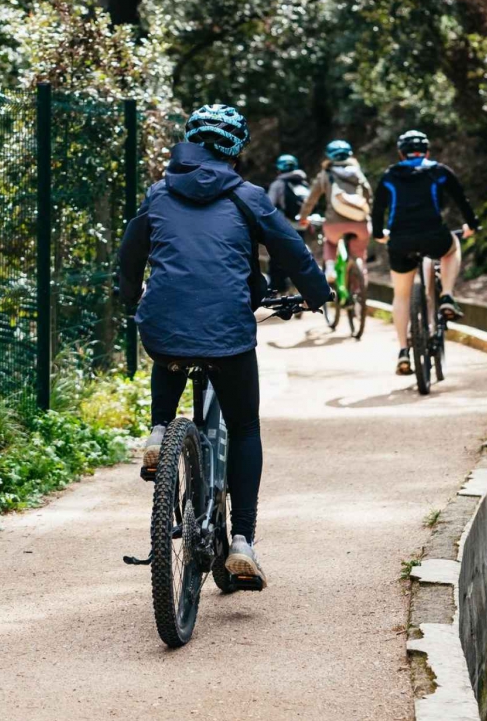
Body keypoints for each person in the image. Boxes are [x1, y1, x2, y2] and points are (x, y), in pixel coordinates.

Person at [116, 105, 331, 587]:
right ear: (237, 148)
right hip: (228, 336)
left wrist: (132, 302)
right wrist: (317, 294)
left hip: (165, 327)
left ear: (189, 141)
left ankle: (157, 433)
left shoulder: (158, 194)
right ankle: (242, 542)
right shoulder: (247, 197)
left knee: (168, 346)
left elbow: (129, 257)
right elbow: (290, 249)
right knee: (244, 426)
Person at [372, 130, 477, 376]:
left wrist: (379, 233)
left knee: (401, 295)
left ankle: (402, 352)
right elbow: (462, 200)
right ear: (427, 151)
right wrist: (471, 225)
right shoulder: (439, 171)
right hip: (434, 236)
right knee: (452, 248)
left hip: (399, 240)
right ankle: (448, 295)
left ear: (401, 154)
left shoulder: (390, 175)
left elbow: (378, 210)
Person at [296, 139, 373, 291]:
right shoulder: (357, 172)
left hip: (334, 222)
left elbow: (311, 199)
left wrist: (303, 216)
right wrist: (367, 211)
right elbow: (368, 193)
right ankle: (359, 284)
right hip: (360, 221)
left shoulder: (325, 174)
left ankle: (329, 268)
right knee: (359, 252)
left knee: (330, 242)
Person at [266, 154, 313, 293]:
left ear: (279, 169)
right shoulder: (304, 184)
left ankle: (276, 288)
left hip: (283, 227)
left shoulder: (278, 184)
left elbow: (269, 206)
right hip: (301, 227)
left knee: (277, 258)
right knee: (299, 254)